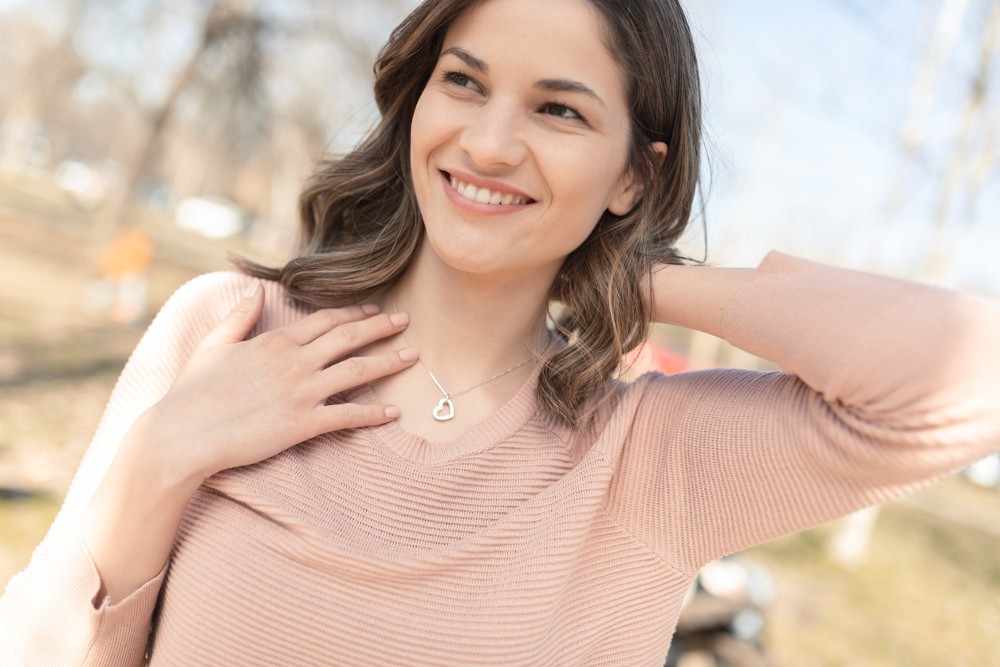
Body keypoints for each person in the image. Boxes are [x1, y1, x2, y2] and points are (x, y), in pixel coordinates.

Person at [2, 0, 998, 664]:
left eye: (557, 110)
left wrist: (626, 270)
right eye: (465, 82)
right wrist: (160, 459)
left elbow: (967, 383)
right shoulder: (228, 329)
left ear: (632, 177)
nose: (486, 142)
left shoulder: (646, 459)